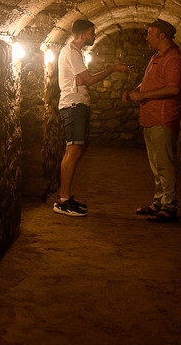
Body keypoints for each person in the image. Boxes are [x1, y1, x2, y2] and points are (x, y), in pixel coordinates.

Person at [53, 19, 130, 217]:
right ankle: (62, 200)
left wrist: (82, 81)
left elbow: (81, 79)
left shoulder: (74, 53)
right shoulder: (71, 52)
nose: (94, 36)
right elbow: (89, 80)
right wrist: (113, 68)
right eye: (92, 32)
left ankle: (66, 197)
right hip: (73, 105)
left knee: (74, 149)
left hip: (77, 104)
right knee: (73, 150)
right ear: (82, 34)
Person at [123, 19, 181, 223]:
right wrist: (137, 91)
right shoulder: (156, 57)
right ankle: (159, 201)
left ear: (163, 36)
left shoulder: (174, 58)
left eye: (150, 33)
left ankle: (169, 206)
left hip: (163, 118)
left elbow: (173, 88)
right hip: (150, 118)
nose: (147, 37)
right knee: (156, 164)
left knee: (164, 164)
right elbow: (150, 81)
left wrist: (143, 95)